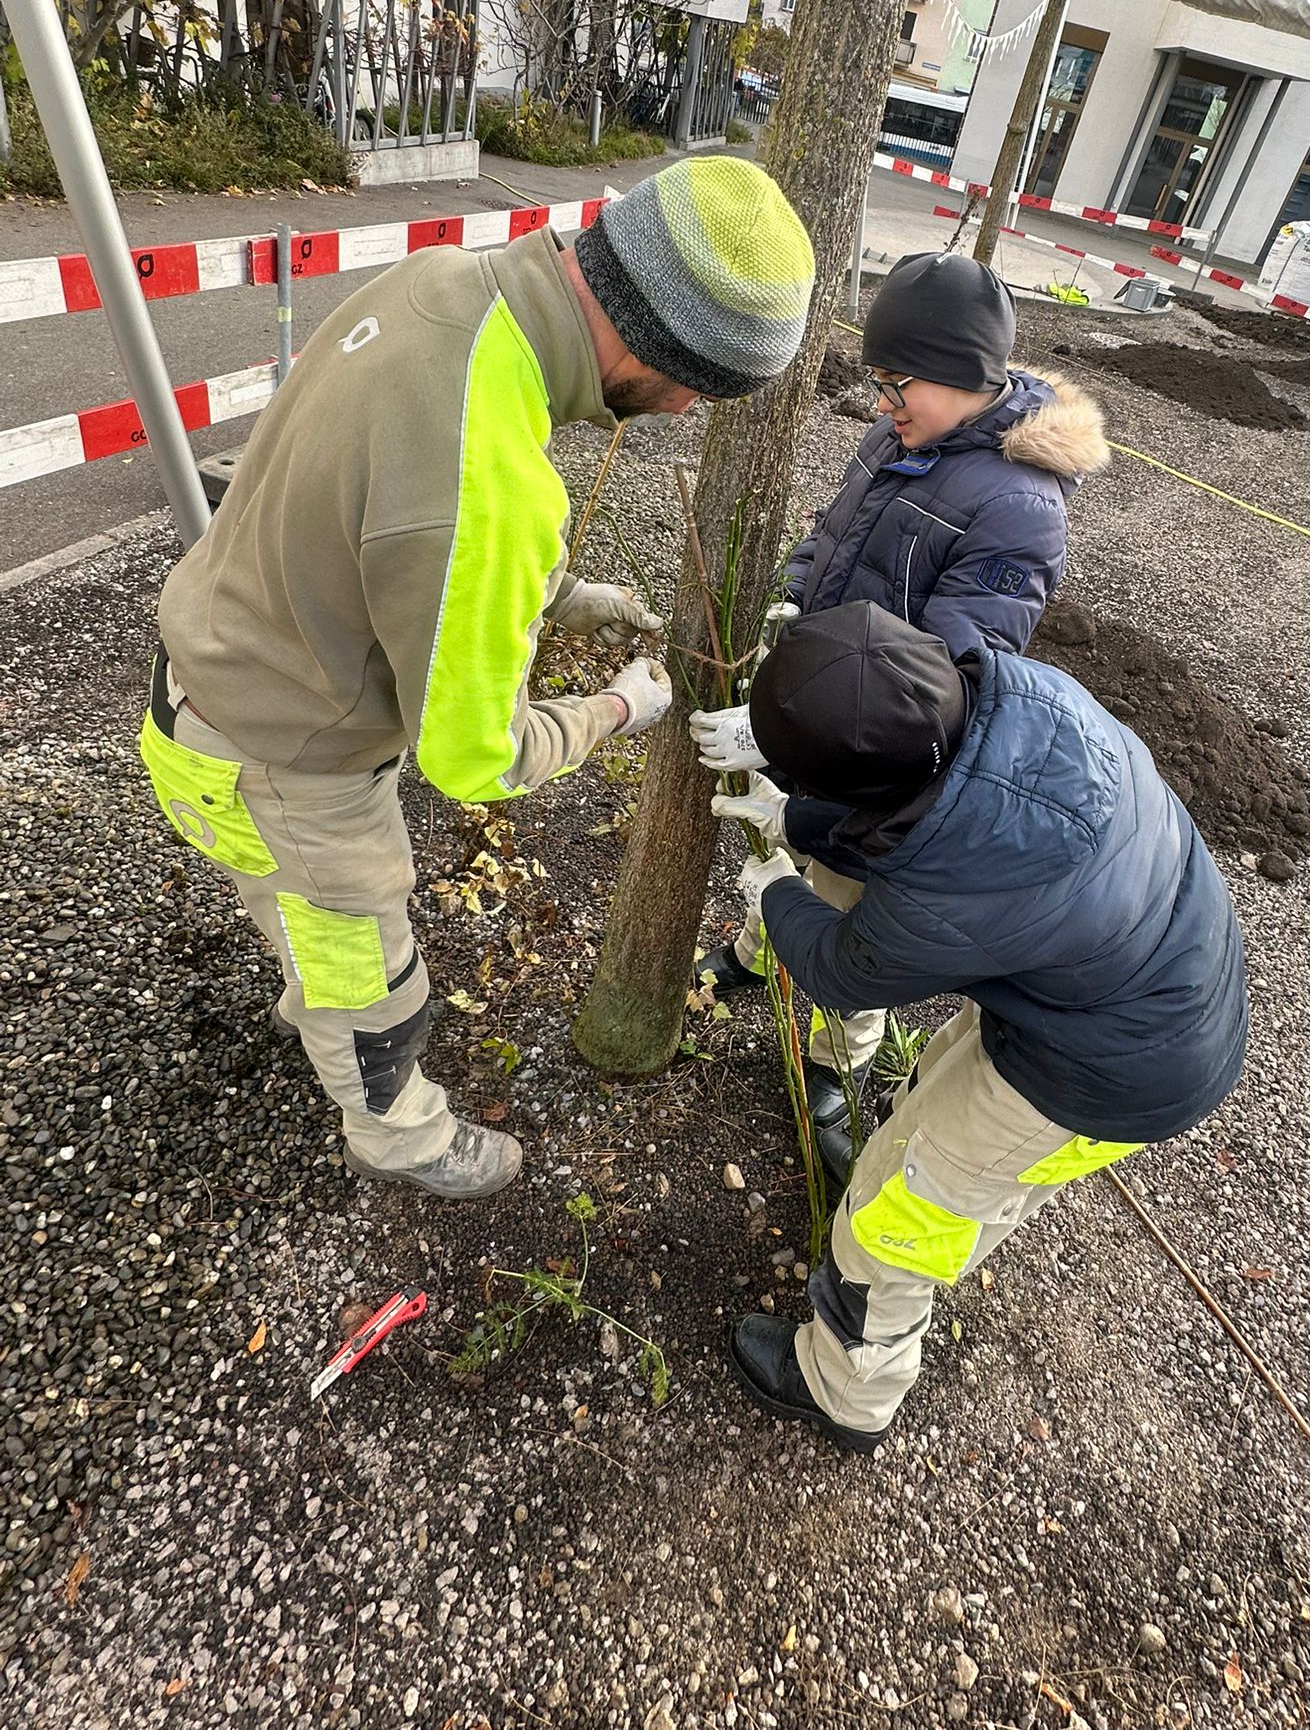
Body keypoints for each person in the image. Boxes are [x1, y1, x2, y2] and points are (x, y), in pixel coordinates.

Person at [140, 158, 814, 1199]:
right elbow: (473, 756)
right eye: (697, 386)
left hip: (214, 670)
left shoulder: (448, 285)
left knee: (319, 937)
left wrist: (561, 590)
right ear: (655, 343)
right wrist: (615, 707)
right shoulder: (494, 487)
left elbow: (399, 512)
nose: (682, 412)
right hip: (277, 762)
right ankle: (393, 1129)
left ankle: (319, 998)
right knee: (381, 989)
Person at [712, 602, 1248, 1451]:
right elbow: (911, 815)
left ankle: (848, 1389)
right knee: (937, 1094)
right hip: (1150, 971)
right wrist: (798, 815)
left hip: (1113, 1069)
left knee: (900, 1213)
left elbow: (842, 966)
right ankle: (951, 1202)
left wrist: (775, 886)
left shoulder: (948, 896)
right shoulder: (1026, 697)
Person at [690, 249, 1109, 1130]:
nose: (881, 404)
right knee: (788, 852)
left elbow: (952, 679)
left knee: (843, 889)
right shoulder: (900, 433)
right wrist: (793, 595)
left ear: (959, 375)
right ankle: (762, 952)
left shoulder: (1020, 508)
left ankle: (839, 1060)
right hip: (824, 700)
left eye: (897, 382)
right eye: (880, 384)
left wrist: (795, 726)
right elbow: (836, 531)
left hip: (881, 746)